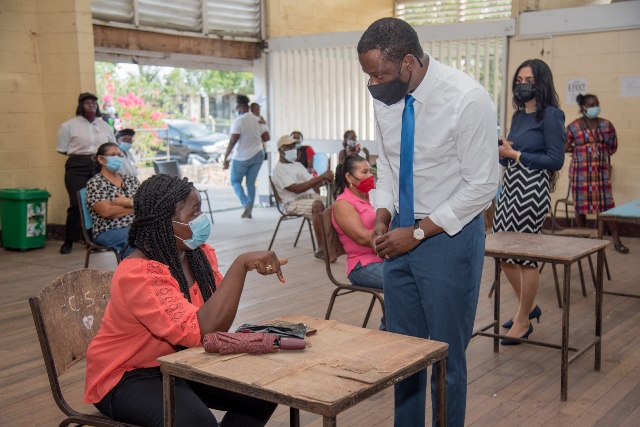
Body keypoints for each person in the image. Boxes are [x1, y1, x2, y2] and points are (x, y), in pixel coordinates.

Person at [358, 18, 499, 427]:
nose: (373, 85)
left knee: (445, 357)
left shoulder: (466, 98)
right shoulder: (386, 97)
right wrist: (383, 214)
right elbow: (388, 163)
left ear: (408, 62)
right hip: (399, 233)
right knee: (403, 356)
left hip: (448, 237)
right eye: (368, 76)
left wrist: (418, 232)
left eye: (380, 75)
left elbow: (482, 186)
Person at [84, 174, 282, 427]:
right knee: (197, 424)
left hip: (180, 362)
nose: (202, 218)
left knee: (264, 390)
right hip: (127, 374)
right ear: (164, 222)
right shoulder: (138, 274)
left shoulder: (197, 256)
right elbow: (202, 331)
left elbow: (216, 317)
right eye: (194, 212)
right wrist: (240, 264)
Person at [493, 59, 565, 344]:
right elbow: (511, 155)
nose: (523, 86)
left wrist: (516, 155)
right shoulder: (519, 116)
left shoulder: (552, 116)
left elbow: (555, 160)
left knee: (524, 255)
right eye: (519, 81)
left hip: (532, 189)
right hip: (510, 185)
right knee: (502, 252)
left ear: (541, 83)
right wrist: (503, 151)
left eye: (529, 81)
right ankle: (529, 306)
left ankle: (523, 320)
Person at [566, 93, 627, 253]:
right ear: (583, 107)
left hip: (601, 172)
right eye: (591, 105)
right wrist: (582, 151)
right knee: (580, 205)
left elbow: (613, 146)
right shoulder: (573, 126)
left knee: (608, 205)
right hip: (580, 173)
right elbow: (565, 146)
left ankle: (616, 241)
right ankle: (584, 242)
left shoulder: (606, 125)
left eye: (596, 104)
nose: (595, 107)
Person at [57, 92, 116, 254]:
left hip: (99, 165)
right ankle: (69, 240)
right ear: (80, 106)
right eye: (87, 103)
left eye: (94, 103)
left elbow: (112, 145)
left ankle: (92, 240)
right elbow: (62, 148)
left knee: (97, 202)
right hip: (77, 165)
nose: (91, 105)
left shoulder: (104, 125)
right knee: (76, 203)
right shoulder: (69, 126)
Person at [271, 135, 334, 259]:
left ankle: (336, 242)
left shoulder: (298, 165)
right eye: (289, 147)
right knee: (318, 205)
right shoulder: (278, 169)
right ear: (280, 150)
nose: (293, 149)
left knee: (336, 202)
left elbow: (313, 183)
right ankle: (321, 248)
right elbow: (296, 189)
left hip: (308, 197)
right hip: (292, 202)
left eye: (293, 147)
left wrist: (327, 179)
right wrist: (320, 177)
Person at [332, 155, 383, 290]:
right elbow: (362, 238)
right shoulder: (344, 204)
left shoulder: (371, 196)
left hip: (385, 257)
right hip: (363, 265)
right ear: (349, 177)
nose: (370, 176)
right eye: (364, 172)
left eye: (370, 171)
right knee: (405, 284)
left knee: (422, 276)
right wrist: (395, 234)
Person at [85, 142, 139, 259]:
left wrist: (127, 202)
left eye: (119, 155)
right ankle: (131, 269)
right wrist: (135, 206)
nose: (117, 158)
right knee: (135, 238)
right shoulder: (96, 183)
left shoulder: (131, 180)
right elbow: (106, 212)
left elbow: (147, 203)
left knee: (159, 234)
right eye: (112, 155)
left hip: (136, 225)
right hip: (108, 229)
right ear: (101, 159)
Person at [224, 95, 270, 219]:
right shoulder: (258, 120)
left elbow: (233, 142)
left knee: (235, 181)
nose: (235, 108)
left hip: (241, 157)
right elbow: (267, 138)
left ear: (241, 106)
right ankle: (249, 212)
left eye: (236, 105)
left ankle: (246, 203)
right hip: (258, 154)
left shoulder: (239, 121)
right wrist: (263, 124)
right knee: (251, 183)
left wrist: (225, 158)